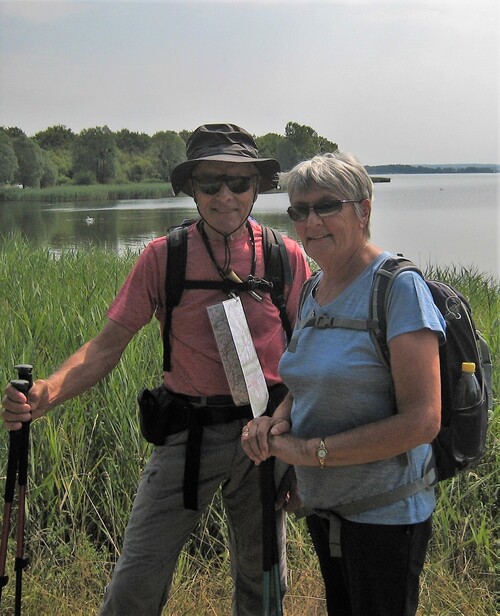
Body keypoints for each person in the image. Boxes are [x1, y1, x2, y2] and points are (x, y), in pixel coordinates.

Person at [1, 123, 310, 616]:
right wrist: (47, 393)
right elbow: (106, 347)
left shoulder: (285, 255)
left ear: (257, 188)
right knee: (136, 582)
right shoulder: (164, 257)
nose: (225, 196)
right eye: (210, 183)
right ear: (191, 188)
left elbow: (309, 357)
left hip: (266, 437)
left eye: (239, 183)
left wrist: (295, 446)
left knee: (264, 584)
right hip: (186, 437)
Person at [241, 151, 446, 616]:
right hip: (326, 508)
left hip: (386, 516)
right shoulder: (315, 289)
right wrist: (275, 424)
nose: (310, 221)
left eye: (326, 206)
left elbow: (423, 420)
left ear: (364, 210)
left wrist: (311, 452)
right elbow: (306, 381)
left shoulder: (396, 288)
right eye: (298, 210)